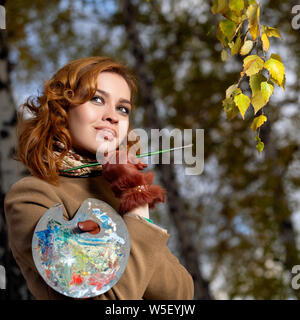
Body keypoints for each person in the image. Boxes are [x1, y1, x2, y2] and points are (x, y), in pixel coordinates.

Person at [4, 56, 194, 300]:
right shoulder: (31, 195)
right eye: (97, 99)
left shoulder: (117, 191)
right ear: (62, 109)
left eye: (122, 108)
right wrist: (136, 213)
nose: (112, 116)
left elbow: (181, 294)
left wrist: (135, 207)